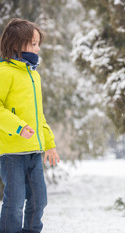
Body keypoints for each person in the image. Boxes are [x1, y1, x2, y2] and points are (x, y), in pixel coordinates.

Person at [0, 18, 60, 233]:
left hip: (34, 151)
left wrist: (49, 143)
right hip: (11, 152)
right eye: (32, 43)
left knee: (39, 200)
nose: (37, 48)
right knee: (15, 202)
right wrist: (18, 127)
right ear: (16, 44)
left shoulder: (34, 75)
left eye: (38, 44)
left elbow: (38, 115)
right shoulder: (4, 71)